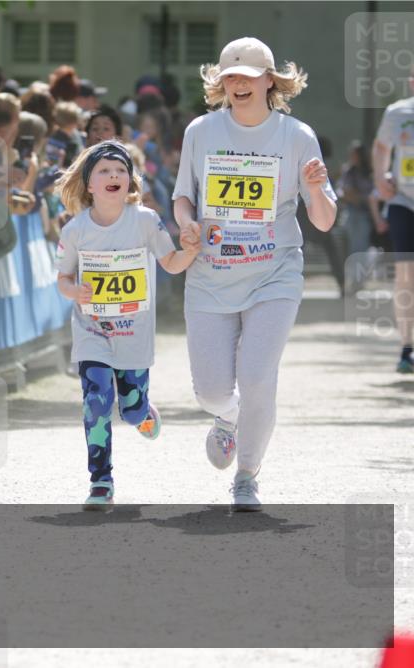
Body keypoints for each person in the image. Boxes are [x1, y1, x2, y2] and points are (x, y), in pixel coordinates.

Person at [172, 37, 336, 510]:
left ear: (270, 81)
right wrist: (186, 224)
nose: (238, 83)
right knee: (211, 390)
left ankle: (246, 475)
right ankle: (228, 416)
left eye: (247, 76)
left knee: (258, 375)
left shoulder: (297, 136)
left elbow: (324, 220)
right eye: (230, 76)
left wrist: (315, 190)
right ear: (221, 83)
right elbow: (183, 197)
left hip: (274, 275)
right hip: (211, 275)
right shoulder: (201, 131)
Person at [55, 141, 199, 509]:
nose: (114, 175)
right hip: (92, 332)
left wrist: (191, 252)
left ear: (131, 181)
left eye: (121, 170)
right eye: (104, 170)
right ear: (89, 184)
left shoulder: (145, 221)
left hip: (133, 333)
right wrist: (75, 292)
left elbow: (171, 263)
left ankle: (142, 411)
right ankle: (100, 480)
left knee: (131, 410)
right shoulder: (75, 230)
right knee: (97, 398)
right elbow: (63, 279)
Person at [372, 68, 414, 374]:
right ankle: (407, 348)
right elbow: (381, 147)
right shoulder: (397, 112)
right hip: (403, 201)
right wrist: (379, 177)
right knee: (406, 274)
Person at [338, 141, 387, 293]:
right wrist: (360, 198)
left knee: (362, 249)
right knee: (354, 249)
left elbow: (374, 193)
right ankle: (355, 281)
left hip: (368, 215)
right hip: (353, 215)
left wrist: (360, 198)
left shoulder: (369, 171)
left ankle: (359, 280)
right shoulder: (349, 171)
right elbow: (345, 192)